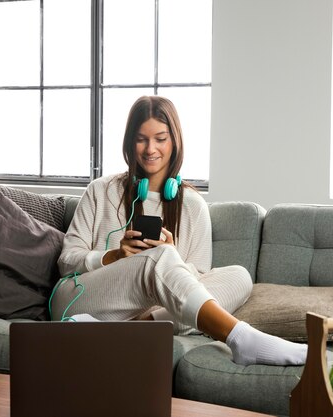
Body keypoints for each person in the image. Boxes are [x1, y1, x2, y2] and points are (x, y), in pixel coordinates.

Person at [52, 95, 306, 366]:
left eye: (160, 139)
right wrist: (113, 257)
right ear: (130, 142)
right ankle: (240, 337)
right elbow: (66, 262)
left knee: (239, 276)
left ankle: (140, 326)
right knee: (159, 259)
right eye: (142, 139)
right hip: (80, 299)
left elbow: (192, 284)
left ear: (174, 141)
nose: (151, 149)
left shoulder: (193, 205)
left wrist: (173, 257)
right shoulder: (101, 190)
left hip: (146, 311)